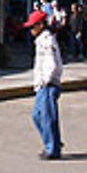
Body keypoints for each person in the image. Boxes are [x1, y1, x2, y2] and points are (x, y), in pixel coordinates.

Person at [24, 9, 63, 160]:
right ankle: (53, 142)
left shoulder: (47, 40)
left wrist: (46, 80)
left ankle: (52, 148)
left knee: (47, 117)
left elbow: (52, 63)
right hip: (42, 84)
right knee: (37, 116)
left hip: (48, 84)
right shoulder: (41, 40)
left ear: (40, 25)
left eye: (33, 26)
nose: (31, 29)